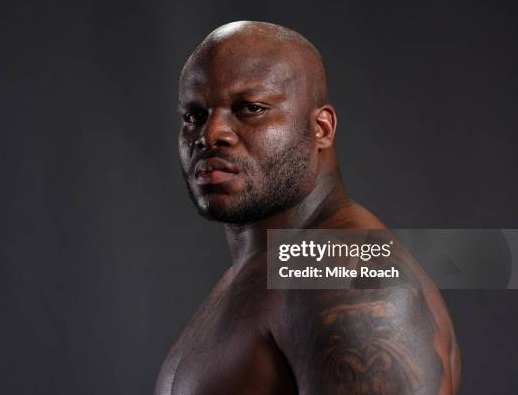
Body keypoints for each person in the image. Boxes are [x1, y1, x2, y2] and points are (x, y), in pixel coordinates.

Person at [155, 21, 461, 395]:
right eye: (194, 115)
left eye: (251, 108)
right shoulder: (263, 269)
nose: (211, 133)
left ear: (321, 128)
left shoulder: (350, 281)